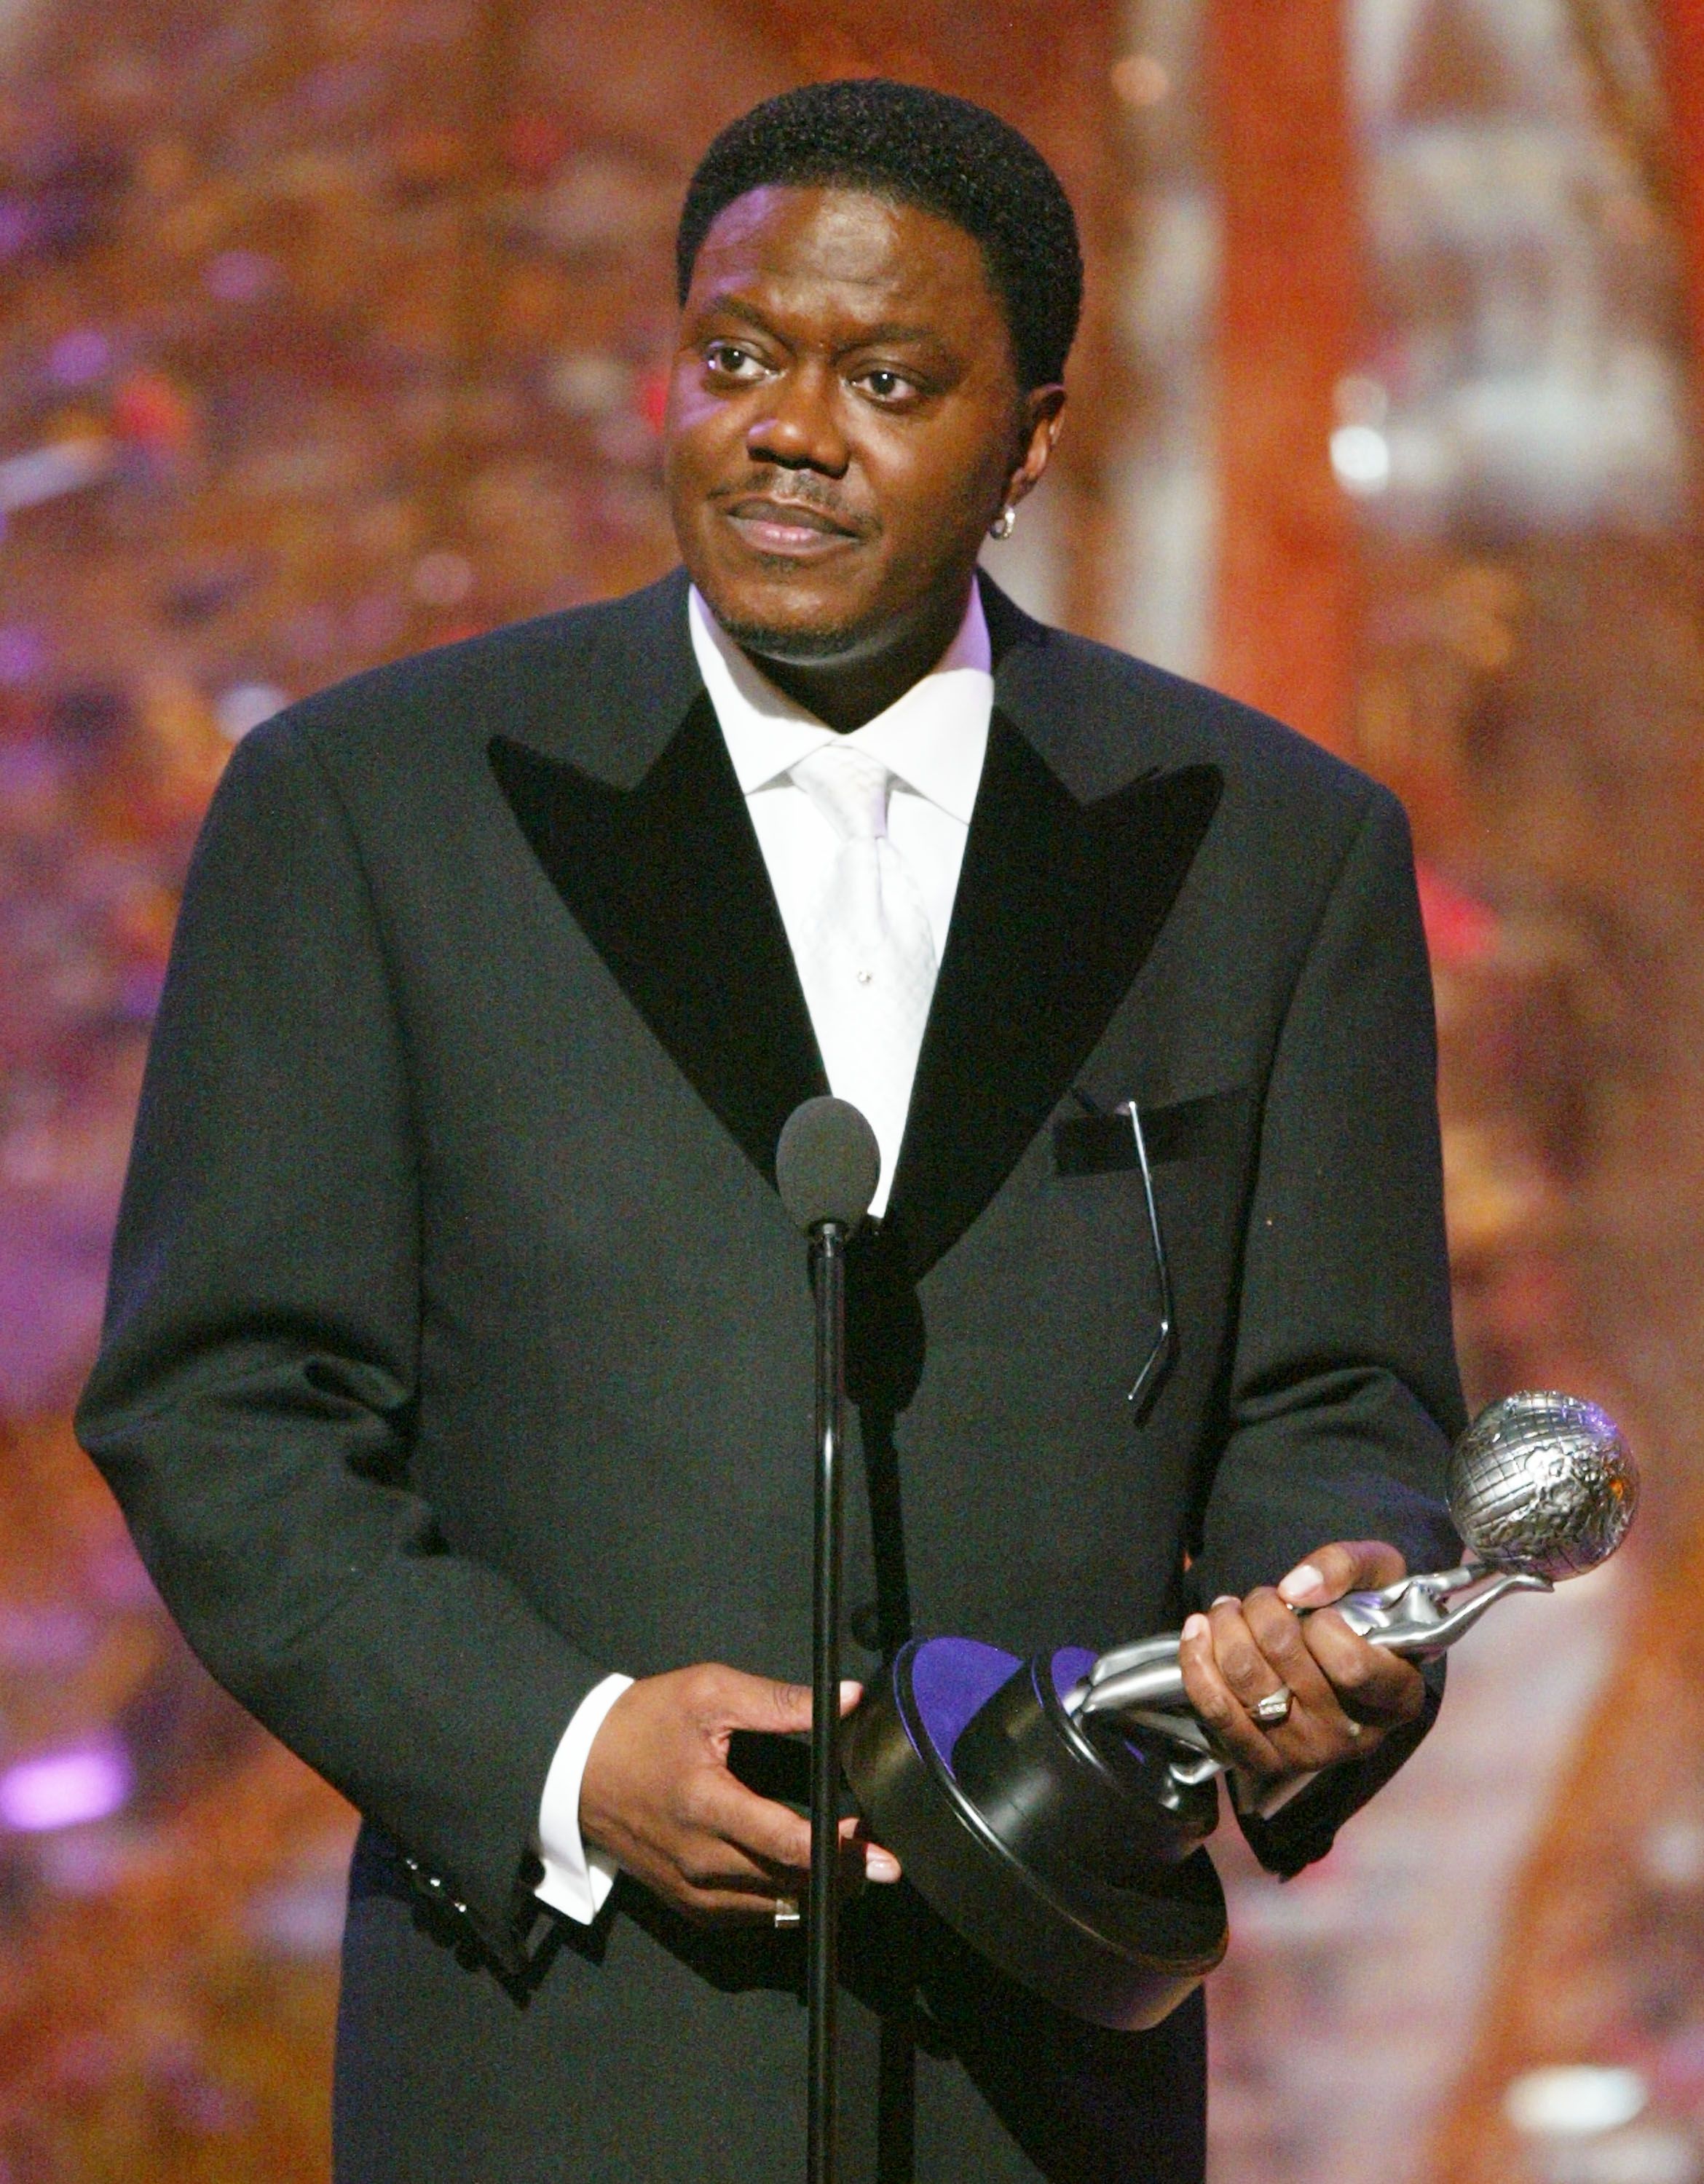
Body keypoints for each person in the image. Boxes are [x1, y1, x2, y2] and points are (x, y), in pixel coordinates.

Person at [76, 79, 1464, 2184]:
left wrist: (1321, 1621)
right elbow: (226, 1407)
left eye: (888, 379)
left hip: (1037, 2064)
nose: (783, 429)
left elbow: (1338, 1395)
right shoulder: (369, 813)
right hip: (551, 2055)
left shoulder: (1269, 852)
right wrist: (558, 1752)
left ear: (1032, 436)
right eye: (735, 358)